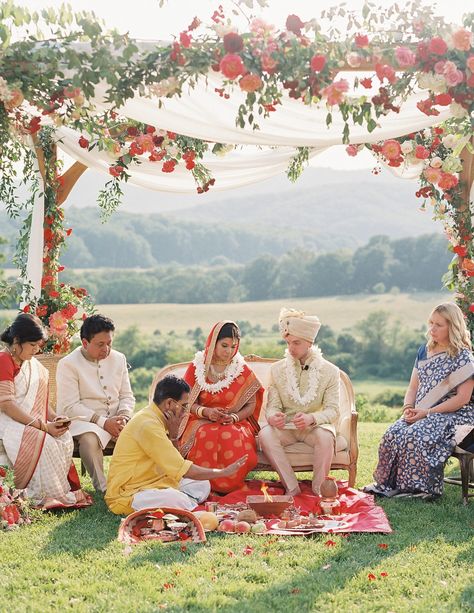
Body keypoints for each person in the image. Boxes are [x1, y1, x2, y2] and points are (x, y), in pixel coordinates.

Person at [364, 302, 474, 500]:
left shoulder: (464, 357)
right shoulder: (424, 351)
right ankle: (388, 485)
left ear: (453, 326)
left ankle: (421, 489)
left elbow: (462, 398)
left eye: (438, 325)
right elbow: (413, 387)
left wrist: (428, 413)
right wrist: (408, 407)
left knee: (416, 435)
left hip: (454, 414)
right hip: (422, 411)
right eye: (430, 323)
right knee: (392, 434)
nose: (432, 328)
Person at [106, 375, 248, 514]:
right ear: (169, 403)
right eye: (184, 406)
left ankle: (184, 504)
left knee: (203, 484)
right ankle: (186, 505)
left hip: (156, 482)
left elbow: (177, 463)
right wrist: (223, 472)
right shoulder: (148, 425)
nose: (186, 411)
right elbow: (185, 470)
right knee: (175, 497)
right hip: (128, 494)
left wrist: (174, 436)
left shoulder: (155, 417)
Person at [0, 313, 89, 506]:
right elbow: (6, 404)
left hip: (27, 420)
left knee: (63, 437)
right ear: (17, 341)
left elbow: (41, 403)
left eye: (38, 345)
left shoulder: (32, 364)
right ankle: (42, 494)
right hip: (7, 420)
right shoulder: (3, 360)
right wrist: (43, 426)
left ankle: (59, 491)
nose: (36, 350)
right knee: (45, 440)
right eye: (33, 345)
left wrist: (55, 418)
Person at [259, 308, 340, 496]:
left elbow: (333, 410)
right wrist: (272, 417)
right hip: (286, 427)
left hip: (313, 427)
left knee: (326, 437)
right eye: (288, 343)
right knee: (266, 434)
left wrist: (312, 418)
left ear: (310, 342)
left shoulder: (330, 371)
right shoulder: (277, 369)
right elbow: (272, 406)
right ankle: (292, 487)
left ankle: (319, 491)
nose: (291, 348)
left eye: (296, 343)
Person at [178, 321, 263, 493]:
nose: (229, 351)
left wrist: (233, 417)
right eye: (224, 345)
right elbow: (185, 402)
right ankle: (202, 486)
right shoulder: (197, 368)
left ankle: (230, 486)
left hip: (234, 421)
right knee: (205, 434)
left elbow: (251, 404)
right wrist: (206, 412)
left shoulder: (241, 369)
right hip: (201, 420)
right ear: (213, 342)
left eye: (233, 346)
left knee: (230, 434)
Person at [56, 314, 135, 492]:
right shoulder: (68, 364)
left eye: (109, 343)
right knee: (89, 440)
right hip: (84, 422)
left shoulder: (119, 358)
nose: (106, 349)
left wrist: (123, 416)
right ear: (85, 343)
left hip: (116, 419)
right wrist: (103, 422)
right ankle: (103, 488)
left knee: (144, 431)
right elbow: (70, 406)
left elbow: (127, 395)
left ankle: (133, 481)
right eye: (100, 344)